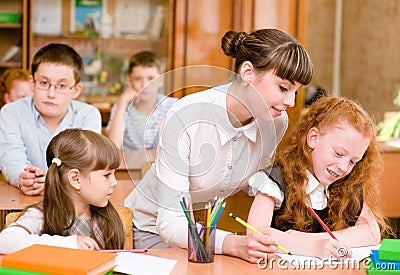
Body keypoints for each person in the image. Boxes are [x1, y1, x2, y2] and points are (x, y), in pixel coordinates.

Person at [124, 28, 313, 263]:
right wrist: (233, 243)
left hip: (210, 231)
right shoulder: (186, 115)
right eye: (283, 88)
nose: (291, 102)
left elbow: (257, 184)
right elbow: (170, 223)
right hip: (154, 232)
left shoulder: (275, 122)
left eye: (296, 91)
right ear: (247, 72)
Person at [247, 96, 392, 259]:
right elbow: (256, 235)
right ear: (313, 138)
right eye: (338, 153)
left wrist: (318, 241)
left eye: (353, 161)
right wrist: (314, 247)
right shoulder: (275, 180)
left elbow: (371, 233)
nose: (344, 167)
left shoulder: (350, 182)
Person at [0, 128, 125, 254]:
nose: (114, 182)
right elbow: (5, 241)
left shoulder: (107, 217)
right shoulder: (43, 214)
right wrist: (68, 244)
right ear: (75, 179)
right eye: (107, 175)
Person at [0, 43, 102, 196]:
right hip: (24, 201)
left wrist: (53, 180)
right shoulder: (11, 112)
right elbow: (11, 158)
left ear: (76, 90)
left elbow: (88, 165)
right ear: (32, 83)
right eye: (43, 83)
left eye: (61, 85)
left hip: (73, 201)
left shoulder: (88, 115)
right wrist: (24, 178)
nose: (51, 93)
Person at [107, 51, 178, 150]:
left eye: (151, 78)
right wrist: (122, 103)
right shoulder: (120, 107)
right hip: (128, 164)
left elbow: (172, 148)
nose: (145, 85)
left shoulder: (173, 106)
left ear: (161, 81)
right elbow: (113, 148)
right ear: (129, 81)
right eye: (137, 79)